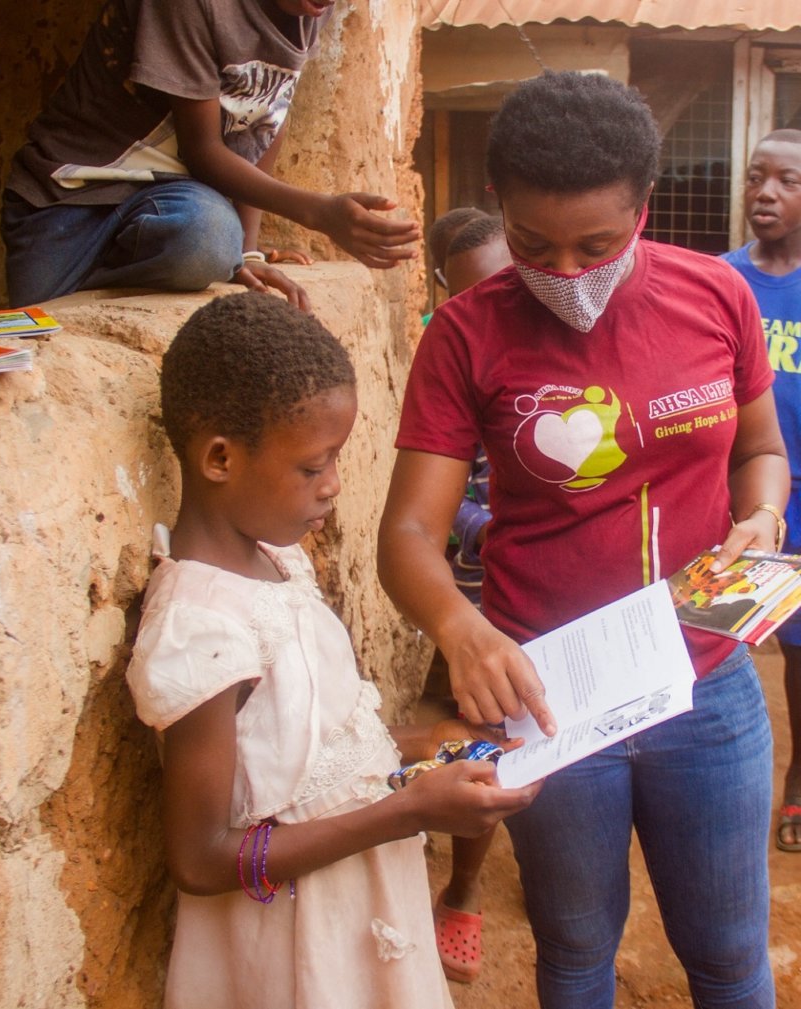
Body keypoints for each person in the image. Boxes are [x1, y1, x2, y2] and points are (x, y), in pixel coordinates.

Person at [377, 69, 788, 1009]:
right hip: (548, 688)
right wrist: (461, 627)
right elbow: (407, 530)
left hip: (707, 679)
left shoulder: (715, 297)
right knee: (572, 946)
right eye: (532, 245)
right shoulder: (465, 335)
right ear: (500, 214)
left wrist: (760, 519)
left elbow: (761, 451)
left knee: (728, 955)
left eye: (596, 245)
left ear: (645, 209)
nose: (565, 274)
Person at [124, 291, 539, 1008]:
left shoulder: (280, 562)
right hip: (288, 947)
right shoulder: (198, 627)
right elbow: (199, 856)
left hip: (351, 908)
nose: (335, 484)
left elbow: (309, 754)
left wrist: (427, 742)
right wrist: (408, 810)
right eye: (314, 465)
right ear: (220, 457)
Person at [1, 0, 419, 313]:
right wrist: (320, 214)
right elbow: (201, 151)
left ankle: (203, 258)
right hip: (70, 196)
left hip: (176, 199)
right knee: (40, 312)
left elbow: (268, 115)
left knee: (213, 241)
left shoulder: (311, 8)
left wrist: (246, 251)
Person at [423, 211, 510, 983]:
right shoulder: (445, 353)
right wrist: (488, 530)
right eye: (472, 293)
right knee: (480, 739)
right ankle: (464, 889)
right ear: (444, 295)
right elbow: (434, 497)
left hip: (555, 591)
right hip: (479, 598)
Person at [722, 128, 801, 853]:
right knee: (720, 640)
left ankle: (799, 780)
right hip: (736, 498)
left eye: (787, 181)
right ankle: (709, 775)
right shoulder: (720, 281)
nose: (766, 193)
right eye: (756, 178)